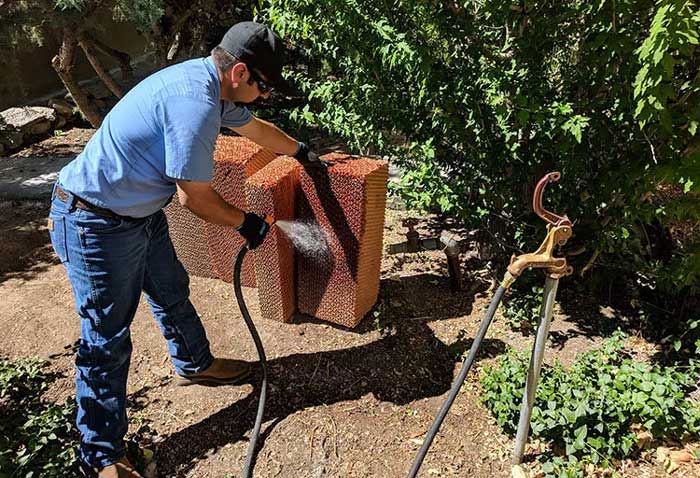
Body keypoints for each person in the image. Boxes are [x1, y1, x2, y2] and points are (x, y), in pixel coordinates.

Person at [48, 21, 320, 478]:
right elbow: (195, 198)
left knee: (171, 288)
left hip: (136, 213)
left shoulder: (213, 88)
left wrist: (301, 151)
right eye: (265, 85)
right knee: (107, 338)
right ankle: (101, 458)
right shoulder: (193, 104)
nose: (266, 94)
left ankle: (195, 363)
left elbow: (256, 130)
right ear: (239, 73)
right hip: (93, 222)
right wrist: (246, 222)